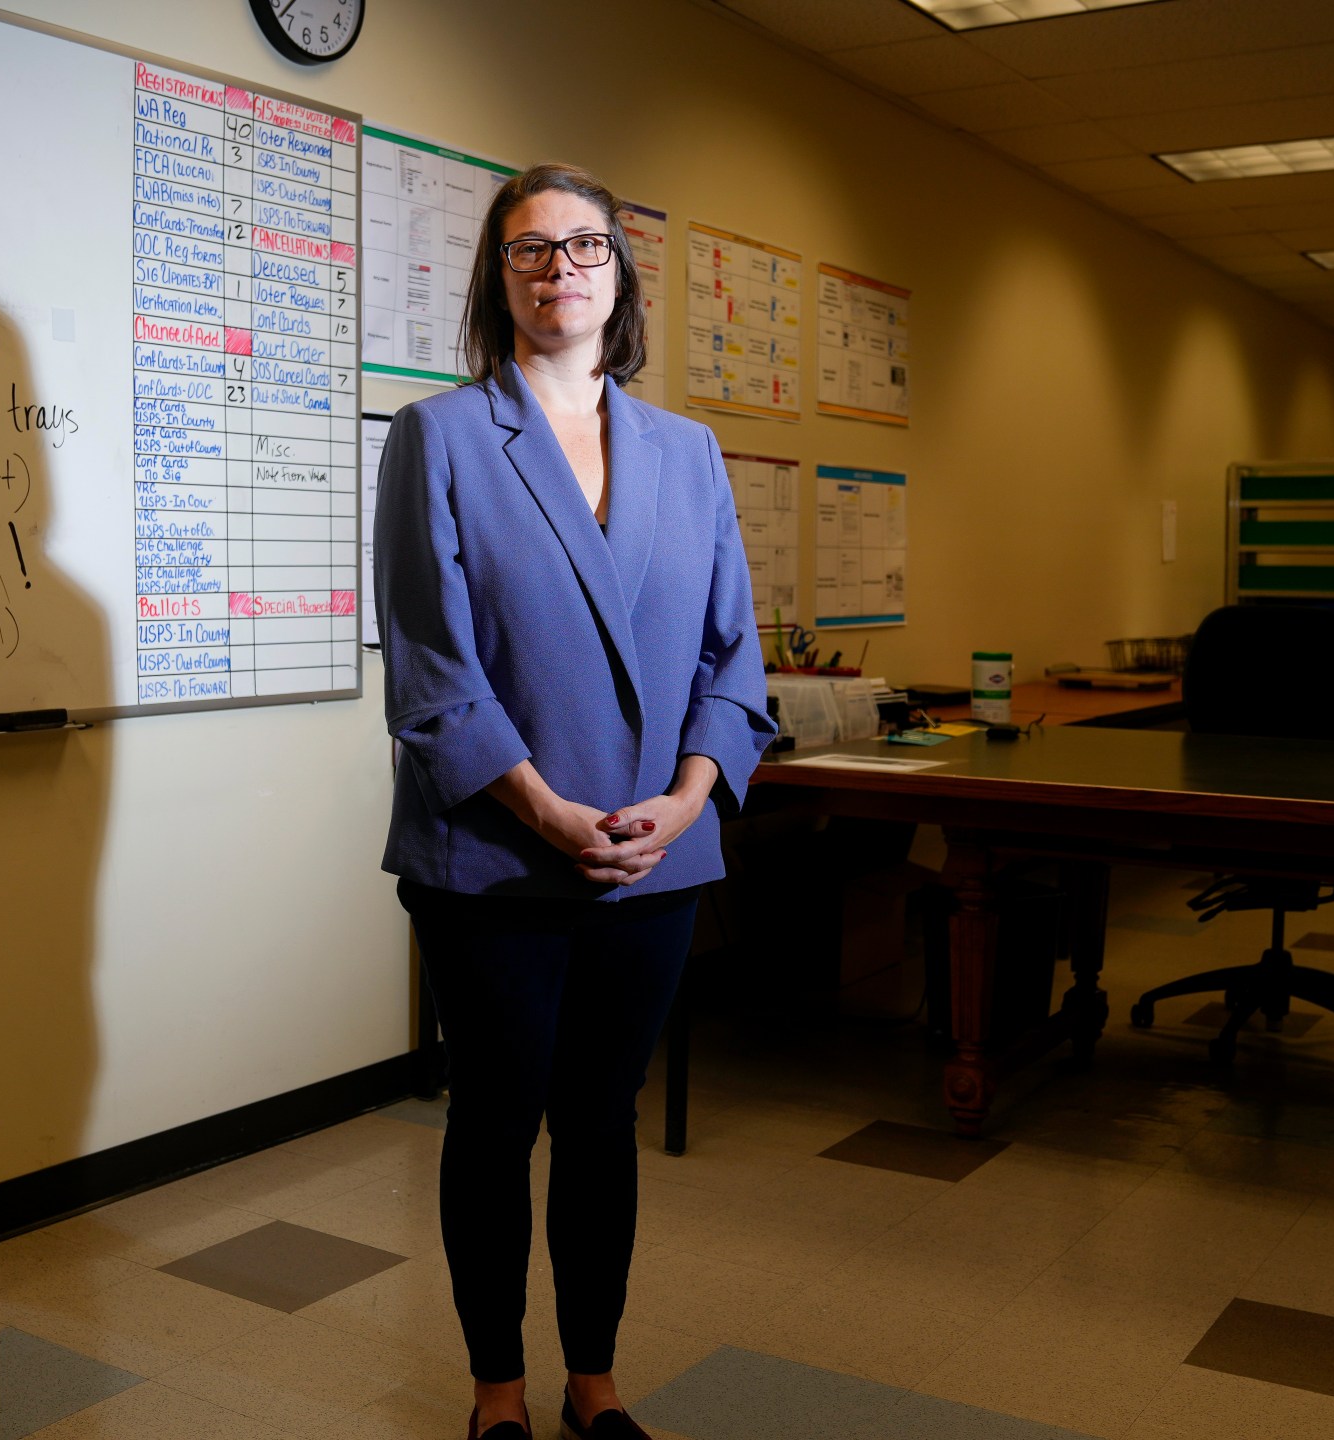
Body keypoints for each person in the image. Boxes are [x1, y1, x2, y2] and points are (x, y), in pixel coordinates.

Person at [372, 163, 775, 1440]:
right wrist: (545, 813)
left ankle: (593, 1382)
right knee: (496, 1120)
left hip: (657, 852)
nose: (559, 270)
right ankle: (497, 1392)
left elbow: (733, 655)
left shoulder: (688, 452)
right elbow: (431, 665)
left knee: (602, 1124)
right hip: (494, 855)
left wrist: (691, 795)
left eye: (583, 246)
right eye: (529, 251)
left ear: (619, 273)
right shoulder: (440, 436)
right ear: (500, 281)